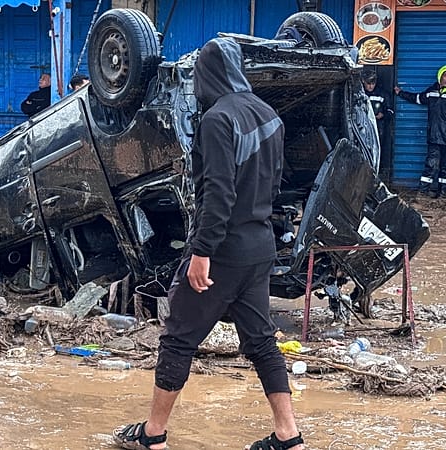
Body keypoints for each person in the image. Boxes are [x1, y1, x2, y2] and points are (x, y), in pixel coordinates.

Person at [113, 37, 304, 450]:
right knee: (261, 341)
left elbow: (218, 193)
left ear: (207, 75)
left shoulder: (218, 120)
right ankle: (288, 436)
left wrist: (202, 252)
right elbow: (274, 182)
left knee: (178, 338)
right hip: (260, 246)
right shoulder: (268, 114)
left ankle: (153, 434)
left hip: (223, 251)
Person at [395, 65, 446, 198]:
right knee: (431, 165)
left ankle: (442, 195)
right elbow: (418, 98)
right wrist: (401, 93)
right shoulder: (432, 92)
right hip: (434, 137)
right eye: (445, 76)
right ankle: (422, 193)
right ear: (440, 77)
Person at [361, 68, 394, 141]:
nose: (371, 86)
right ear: (363, 82)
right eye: (368, 84)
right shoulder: (360, 94)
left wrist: (383, 115)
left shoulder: (382, 94)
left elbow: (391, 111)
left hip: (378, 128)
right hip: (362, 127)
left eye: (373, 84)